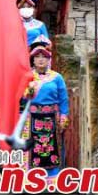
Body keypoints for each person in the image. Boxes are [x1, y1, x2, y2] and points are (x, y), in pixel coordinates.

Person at [23, 37, 69, 177]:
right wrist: (29, 91)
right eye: (37, 57)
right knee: (32, 147)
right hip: (33, 117)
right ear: (33, 60)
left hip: (52, 117)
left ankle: (53, 175)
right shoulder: (29, 77)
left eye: (44, 57)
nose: (41, 59)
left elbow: (63, 99)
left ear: (49, 60)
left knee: (53, 146)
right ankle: (32, 175)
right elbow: (23, 97)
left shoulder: (57, 77)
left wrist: (64, 115)